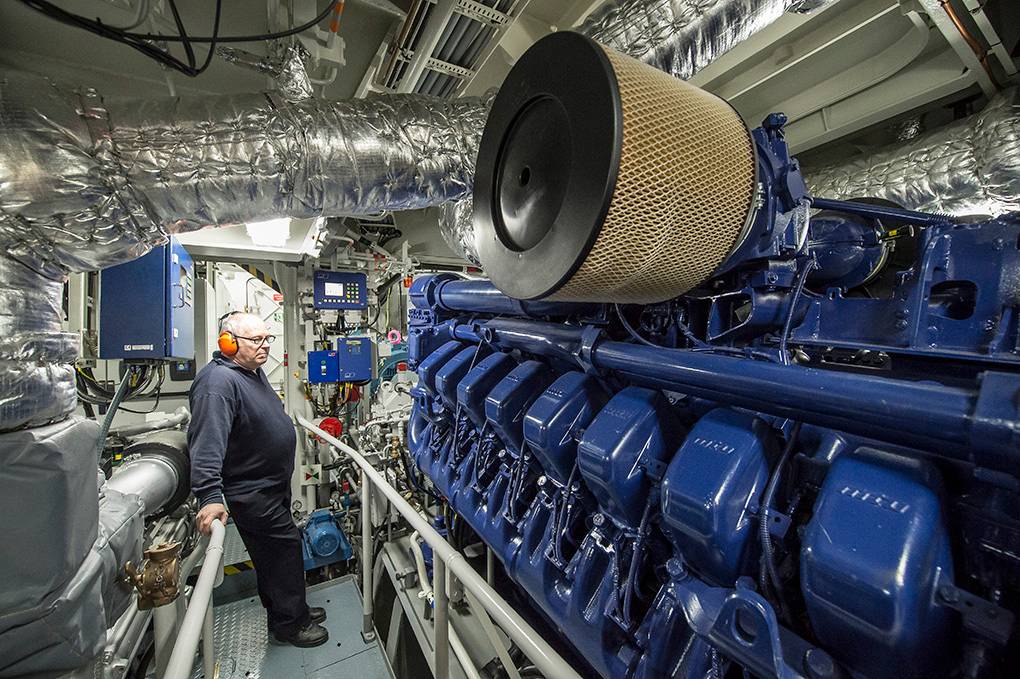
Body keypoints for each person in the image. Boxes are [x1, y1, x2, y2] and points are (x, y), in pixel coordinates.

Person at [188, 311, 329, 647]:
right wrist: (209, 496)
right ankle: (292, 624)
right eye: (256, 340)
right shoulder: (217, 384)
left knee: (272, 555)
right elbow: (207, 443)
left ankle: (286, 610)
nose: (265, 346)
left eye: (267, 338)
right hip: (251, 491)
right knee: (284, 549)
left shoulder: (250, 372)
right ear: (228, 342)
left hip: (270, 486)